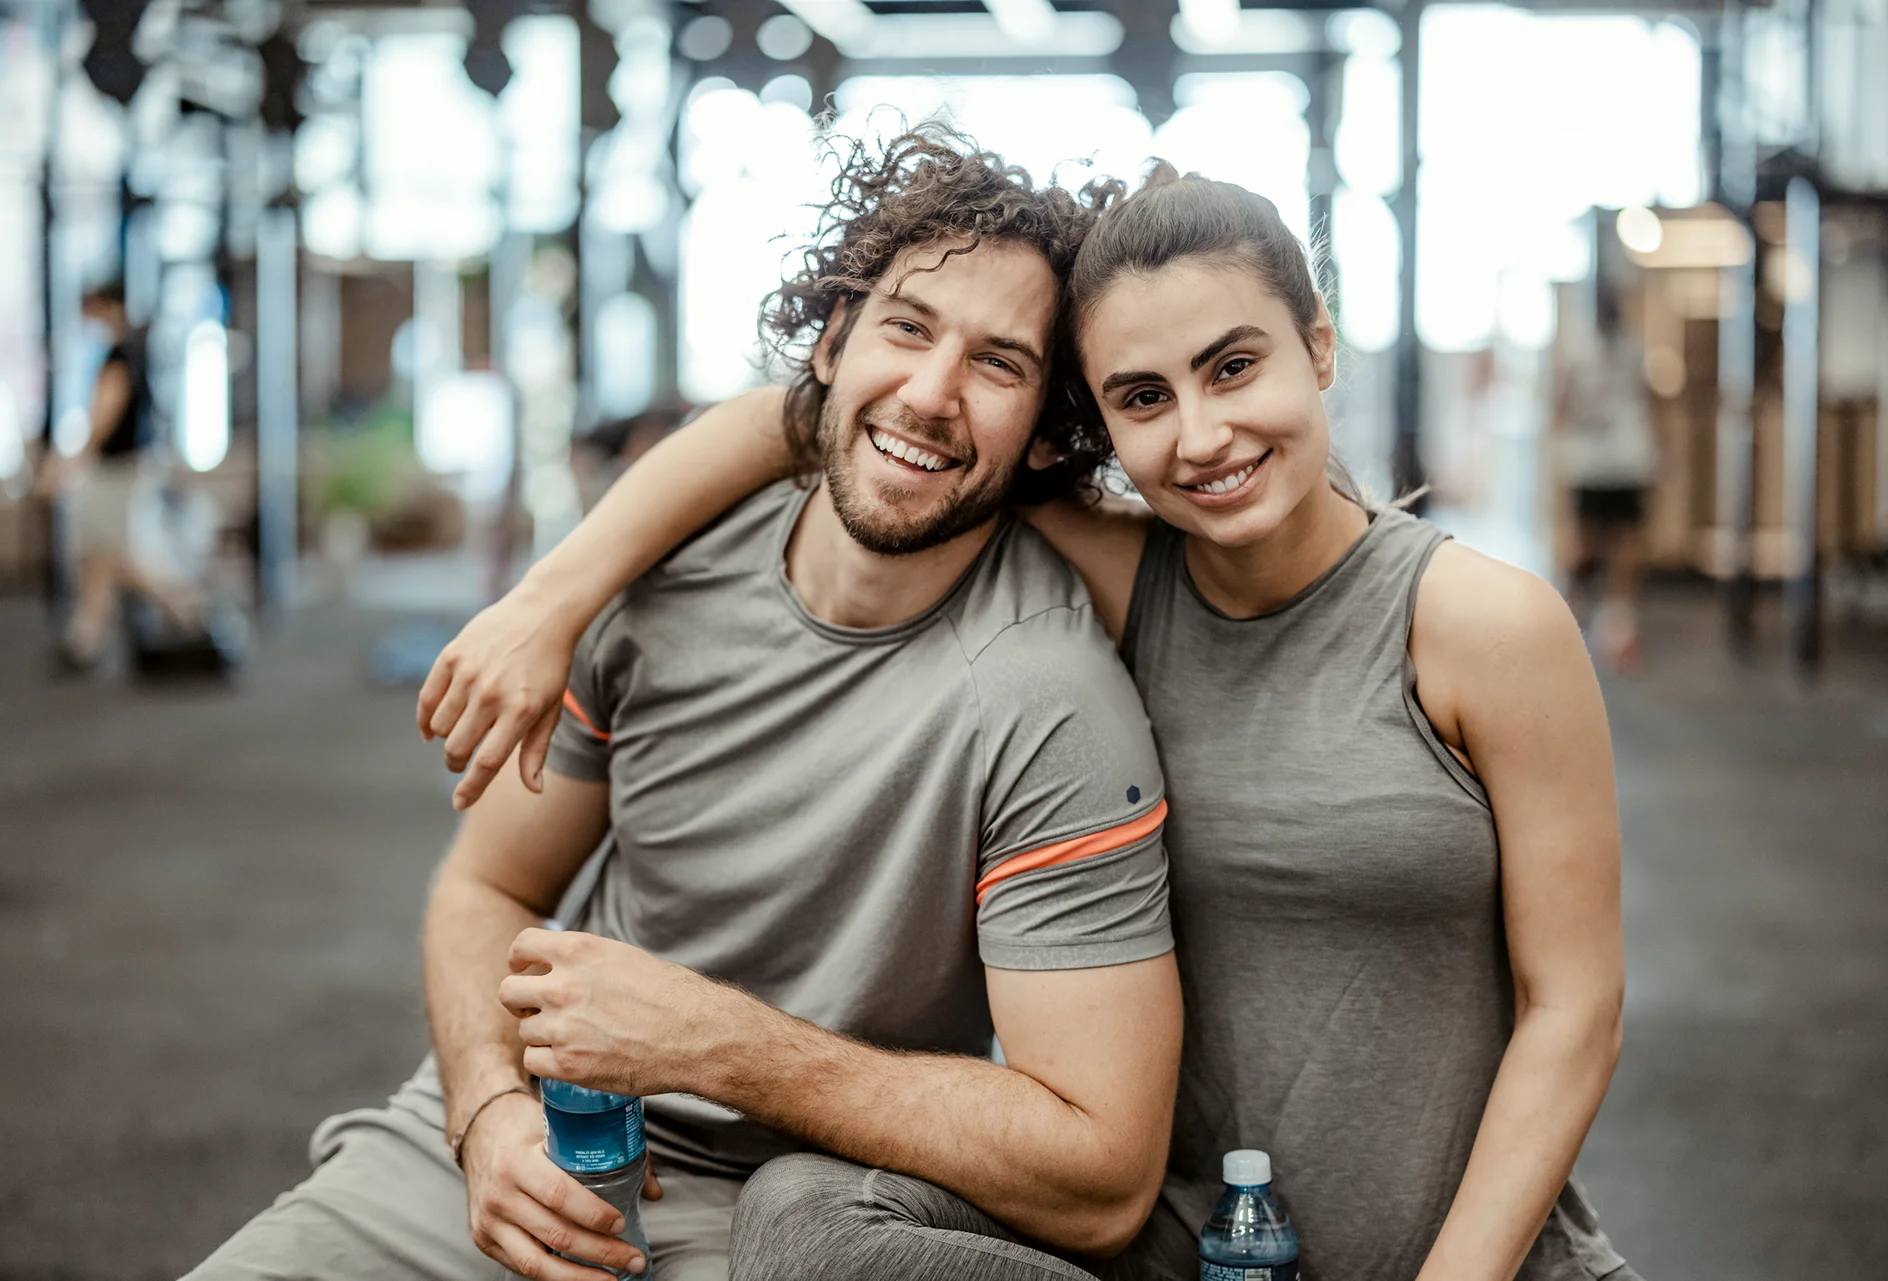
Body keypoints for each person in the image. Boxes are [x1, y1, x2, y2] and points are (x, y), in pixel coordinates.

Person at [424, 164, 1639, 1281]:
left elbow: (1573, 1011)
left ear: (1318, 345)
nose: (1203, 436)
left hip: (1455, 1250)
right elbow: (801, 417)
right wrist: (554, 599)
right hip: (1201, 1248)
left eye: (1235, 366)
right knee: (803, 1219)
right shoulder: (1127, 578)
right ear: (1097, 431)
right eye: (1143, 398)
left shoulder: (1485, 626)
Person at [185, 130, 1186, 1281]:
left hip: (776, 1202)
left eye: (999, 365)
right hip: (511, 1136)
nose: (930, 392)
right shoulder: (663, 567)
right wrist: (487, 1112)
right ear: (831, 339)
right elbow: (489, 884)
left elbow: (1104, 1185)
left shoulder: (1050, 701)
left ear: (1052, 431)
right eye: (906, 328)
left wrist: (724, 1049)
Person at [36, 284, 199, 669]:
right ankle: (84, 639)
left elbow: (103, 416)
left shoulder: (121, 355)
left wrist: (67, 463)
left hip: (118, 471)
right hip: (125, 467)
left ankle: (191, 613)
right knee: (97, 554)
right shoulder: (140, 350)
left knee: (123, 553)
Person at [1553, 288, 1659, 671]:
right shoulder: (1634, 348)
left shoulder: (1577, 351)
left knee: (1585, 534)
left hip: (1593, 458)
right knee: (1625, 537)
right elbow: (1648, 400)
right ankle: (1619, 614)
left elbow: (1561, 403)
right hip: (1629, 455)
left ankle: (1572, 607)